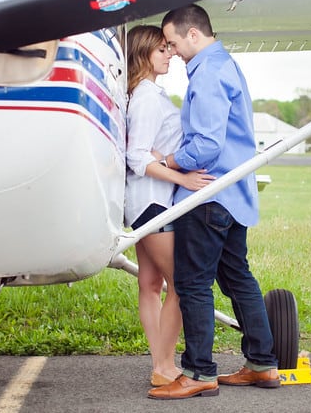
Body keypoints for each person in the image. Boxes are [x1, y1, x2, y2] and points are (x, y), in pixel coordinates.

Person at [148, 4, 279, 400]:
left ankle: (199, 371)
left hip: (208, 193)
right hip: (234, 194)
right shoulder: (227, 65)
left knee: (192, 283)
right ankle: (261, 363)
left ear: (193, 34)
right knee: (238, 278)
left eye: (173, 43)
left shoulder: (206, 74)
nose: (173, 52)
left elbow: (205, 145)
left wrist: (166, 161)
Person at [124, 25, 215, 388]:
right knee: (181, 283)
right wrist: (184, 179)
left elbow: (145, 150)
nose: (169, 54)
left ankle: (161, 362)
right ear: (144, 53)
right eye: (162, 49)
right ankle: (163, 365)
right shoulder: (146, 98)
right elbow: (136, 157)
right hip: (154, 202)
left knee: (150, 283)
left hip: (141, 202)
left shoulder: (144, 94)